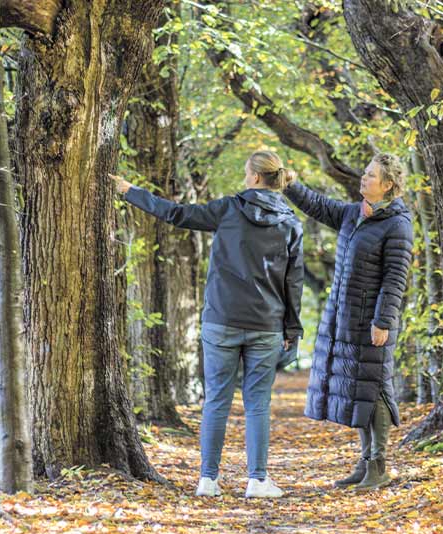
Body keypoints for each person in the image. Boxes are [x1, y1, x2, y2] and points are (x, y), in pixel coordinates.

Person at [111, 151, 303, 498]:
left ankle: (208, 480)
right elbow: (294, 282)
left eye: (247, 172)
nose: (245, 178)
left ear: (257, 178)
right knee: (257, 403)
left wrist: (130, 191)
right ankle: (257, 480)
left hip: (222, 320)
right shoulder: (290, 222)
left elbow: (176, 214)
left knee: (216, 400)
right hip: (266, 324)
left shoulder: (229, 209)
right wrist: (293, 330)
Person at [283, 153, 413, 490]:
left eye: (371, 175)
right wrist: (291, 184)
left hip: (373, 321)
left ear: (388, 185)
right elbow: (319, 205)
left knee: (376, 390)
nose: (363, 178)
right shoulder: (354, 214)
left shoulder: (397, 224)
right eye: (365, 173)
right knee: (358, 389)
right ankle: (364, 462)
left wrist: (383, 320)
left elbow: (394, 279)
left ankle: (379, 466)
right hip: (346, 318)